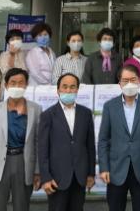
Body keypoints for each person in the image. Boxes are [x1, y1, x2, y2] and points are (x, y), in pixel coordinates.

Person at [0, 68, 42, 211]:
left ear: (26, 85)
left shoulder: (36, 109)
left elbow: (38, 142)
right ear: (6, 85)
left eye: (21, 83)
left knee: (21, 207)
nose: (17, 86)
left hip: (24, 163)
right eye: (13, 83)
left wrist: (37, 171)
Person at [98, 64, 140, 211]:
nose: (129, 83)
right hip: (116, 170)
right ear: (119, 83)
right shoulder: (109, 106)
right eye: (125, 80)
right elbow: (103, 140)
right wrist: (104, 168)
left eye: (133, 79)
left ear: (139, 81)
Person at [39, 73, 96, 211]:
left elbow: (90, 146)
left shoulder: (86, 113)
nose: (68, 90)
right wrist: (46, 178)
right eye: (64, 87)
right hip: (56, 179)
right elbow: (43, 149)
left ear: (77, 89)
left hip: (80, 177)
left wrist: (91, 174)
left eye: (72, 87)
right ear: (58, 89)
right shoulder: (48, 115)